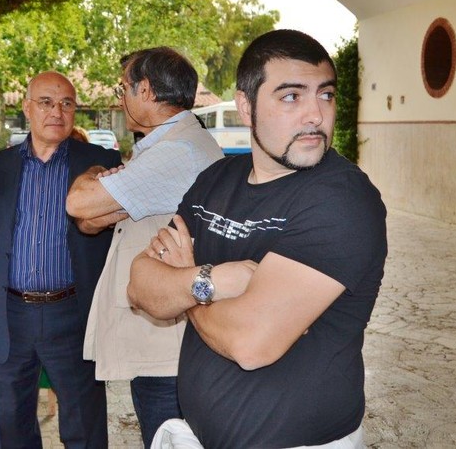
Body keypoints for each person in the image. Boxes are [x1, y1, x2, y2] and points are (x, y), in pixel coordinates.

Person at [129, 30, 388, 449]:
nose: (315, 115)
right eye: (291, 97)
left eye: (325, 95)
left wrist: (189, 284)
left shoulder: (342, 199)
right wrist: (216, 281)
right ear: (246, 106)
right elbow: (140, 286)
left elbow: (250, 343)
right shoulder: (216, 180)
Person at [0, 71, 121, 449]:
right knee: (12, 424)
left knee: (84, 424)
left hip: (73, 312)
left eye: (66, 104)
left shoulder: (100, 163)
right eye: (45, 102)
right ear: (27, 108)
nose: (56, 112)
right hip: (12, 315)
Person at [65, 47, 223, 447]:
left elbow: (78, 203)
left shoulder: (176, 152)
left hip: (169, 349)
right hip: (164, 338)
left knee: (166, 436)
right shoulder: (167, 145)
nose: (121, 99)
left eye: (123, 89)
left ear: (147, 90)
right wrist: (105, 199)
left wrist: (94, 172)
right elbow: (90, 221)